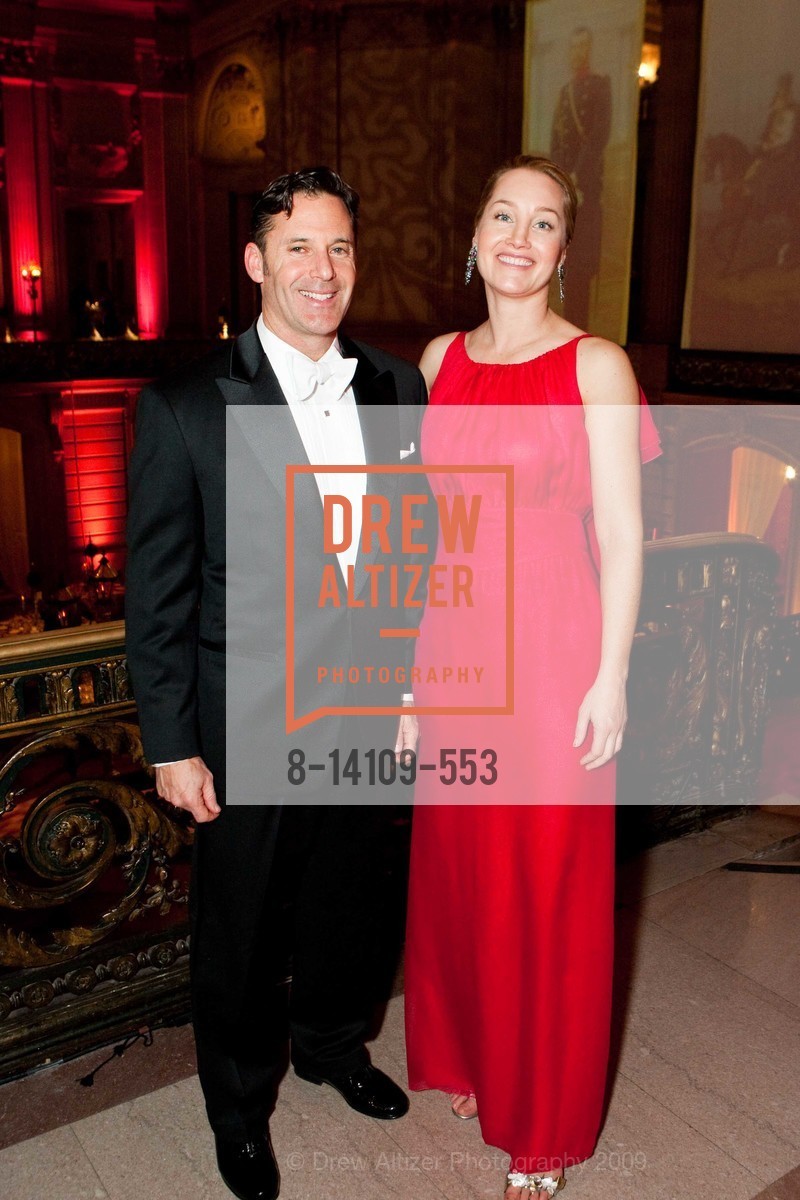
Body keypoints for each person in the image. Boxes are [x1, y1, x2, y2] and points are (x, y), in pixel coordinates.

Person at [126, 167, 426, 1200]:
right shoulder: (180, 408)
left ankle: (333, 1046)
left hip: (363, 707)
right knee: (242, 927)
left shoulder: (395, 385)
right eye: (297, 246)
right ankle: (238, 1107)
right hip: (242, 720)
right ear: (255, 262)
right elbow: (157, 596)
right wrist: (170, 741)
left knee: (352, 901)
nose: (321, 269)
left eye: (338, 247)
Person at [404, 155, 661, 1200]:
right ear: (473, 236)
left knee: (545, 885)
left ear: (564, 249)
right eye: (501, 215)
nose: (519, 236)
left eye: (542, 222)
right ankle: (473, 1059)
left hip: (555, 652)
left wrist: (611, 677)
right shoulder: (434, 361)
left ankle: (541, 1127)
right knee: (466, 877)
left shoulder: (593, 365)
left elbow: (624, 533)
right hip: (456, 651)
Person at [550, 27, 611, 329]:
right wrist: (558, 179)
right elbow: (556, 142)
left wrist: (576, 175)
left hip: (585, 188)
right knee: (566, 267)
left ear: (589, 50)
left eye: (582, 47)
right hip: (565, 191)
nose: (577, 53)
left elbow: (598, 136)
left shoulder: (601, 87)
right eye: (573, 48)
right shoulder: (565, 93)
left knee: (583, 267)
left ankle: (580, 330)